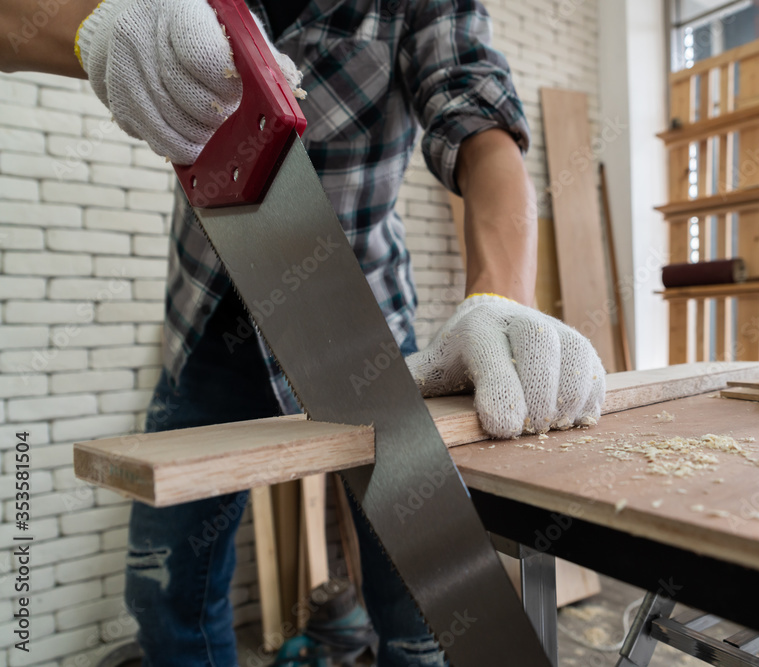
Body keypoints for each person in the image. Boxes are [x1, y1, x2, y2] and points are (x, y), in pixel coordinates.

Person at [1, 0, 606, 664]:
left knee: (427, 605)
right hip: (207, 326)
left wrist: (500, 295)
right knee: (164, 593)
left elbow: (482, 123)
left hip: (363, 339)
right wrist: (97, 24)